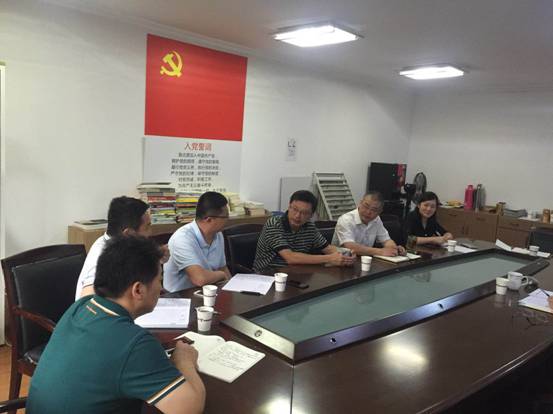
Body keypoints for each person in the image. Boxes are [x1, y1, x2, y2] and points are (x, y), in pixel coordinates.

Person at [27, 236, 205, 414]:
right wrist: (184, 361)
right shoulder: (135, 344)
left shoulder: (82, 306)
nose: (161, 288)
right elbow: (189, 408)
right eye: (159, 280)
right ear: (138, 290)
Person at [75, 196, 156, 300]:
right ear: (129, 233)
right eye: (147, 226)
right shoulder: (102, 257)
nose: (150, 232)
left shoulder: (122, 246)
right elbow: (88, 302)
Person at [253, 190, 355, 272]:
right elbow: (291, 258)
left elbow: (327, 248)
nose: (297, 216)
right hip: (267, 276)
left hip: (297, 273)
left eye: (305, 213)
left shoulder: (309, 226)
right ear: (289, 206)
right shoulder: (274, 224)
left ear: (311, 215)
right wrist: (330, 258)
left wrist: (347, 254)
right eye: (295, 209)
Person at [163, 191, 231, 292]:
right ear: (209, 220)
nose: (228, 220)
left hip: (206, 292)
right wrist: (222, 275)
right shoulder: (182, 238)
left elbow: (222, 268)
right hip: (180, 296)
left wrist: (233, 288)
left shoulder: (217, 235)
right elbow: (199, 279)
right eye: (225, 217)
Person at [332, 191, 405, 256]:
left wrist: (393, 249)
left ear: (380, 212)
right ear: (360, 203)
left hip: (364, 260)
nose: (368, 212)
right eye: (366, 206)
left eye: (374, 210)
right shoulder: (346, 219)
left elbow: (386, 240)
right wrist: (380, 251)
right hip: (341, 260)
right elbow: (350, 247)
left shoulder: (376, 219)